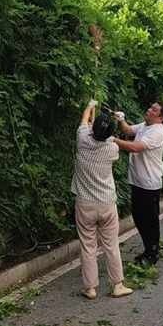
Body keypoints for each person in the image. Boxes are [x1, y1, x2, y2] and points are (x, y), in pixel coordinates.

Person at [71, 99, 133, 300]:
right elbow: (108, 137)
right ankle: (117, 285)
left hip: (85, 203)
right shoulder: (112, 149)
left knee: (88, 246)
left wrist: (90, 105)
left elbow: (84, 120)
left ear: (92, 129)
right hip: (106, 202)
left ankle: (90, 288)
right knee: (111, 244)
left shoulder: (82, 140)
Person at [112, 102, 163, 265]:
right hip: (138, 182)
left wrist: (113, 140)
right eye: (150, 107)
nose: (149, 110)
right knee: (139, 218)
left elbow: (136, 147)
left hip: (149, 184)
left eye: (154, 110)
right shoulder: (145, 126)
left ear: (160, 118)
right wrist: (120, 119)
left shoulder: (157, 132)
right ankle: (148, 250)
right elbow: (127, 130)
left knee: (149, 221)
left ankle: (152, 252)